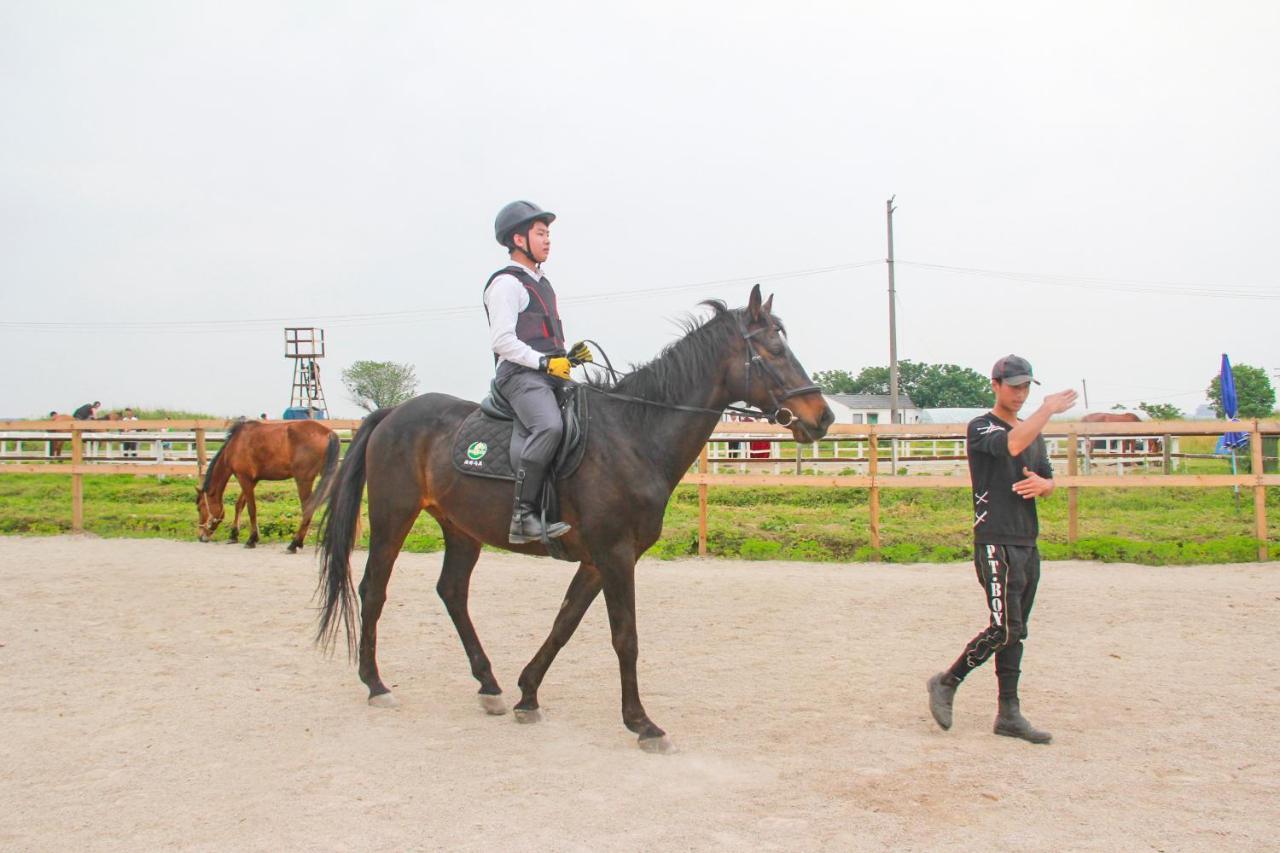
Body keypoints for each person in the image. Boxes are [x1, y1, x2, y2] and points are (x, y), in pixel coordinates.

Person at [926, 355, 1077, 744]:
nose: (1021, 394)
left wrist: (1047, 487)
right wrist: (1046, 410)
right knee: (1004, 626)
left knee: (1017, 631)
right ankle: (948, 681)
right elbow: (1011, 446)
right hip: (994, 539)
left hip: (1027, 538)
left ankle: (1008, 713)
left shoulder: (1033, 431)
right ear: (995, 385)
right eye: (1014, 387)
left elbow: (1046, 475)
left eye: (1027, 387)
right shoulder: (982, 427)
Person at [484, 200, 591, 544]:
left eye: (548, 234)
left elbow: (541, 339)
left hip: (547, 374)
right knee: (549, 425)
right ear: (518, 239)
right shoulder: (506, 284)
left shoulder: (542, 283)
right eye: (541, 233)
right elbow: (502, 341)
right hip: (518, 377)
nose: (548, 240)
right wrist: (545, 363)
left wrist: (567, 358)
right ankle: (523, 516)